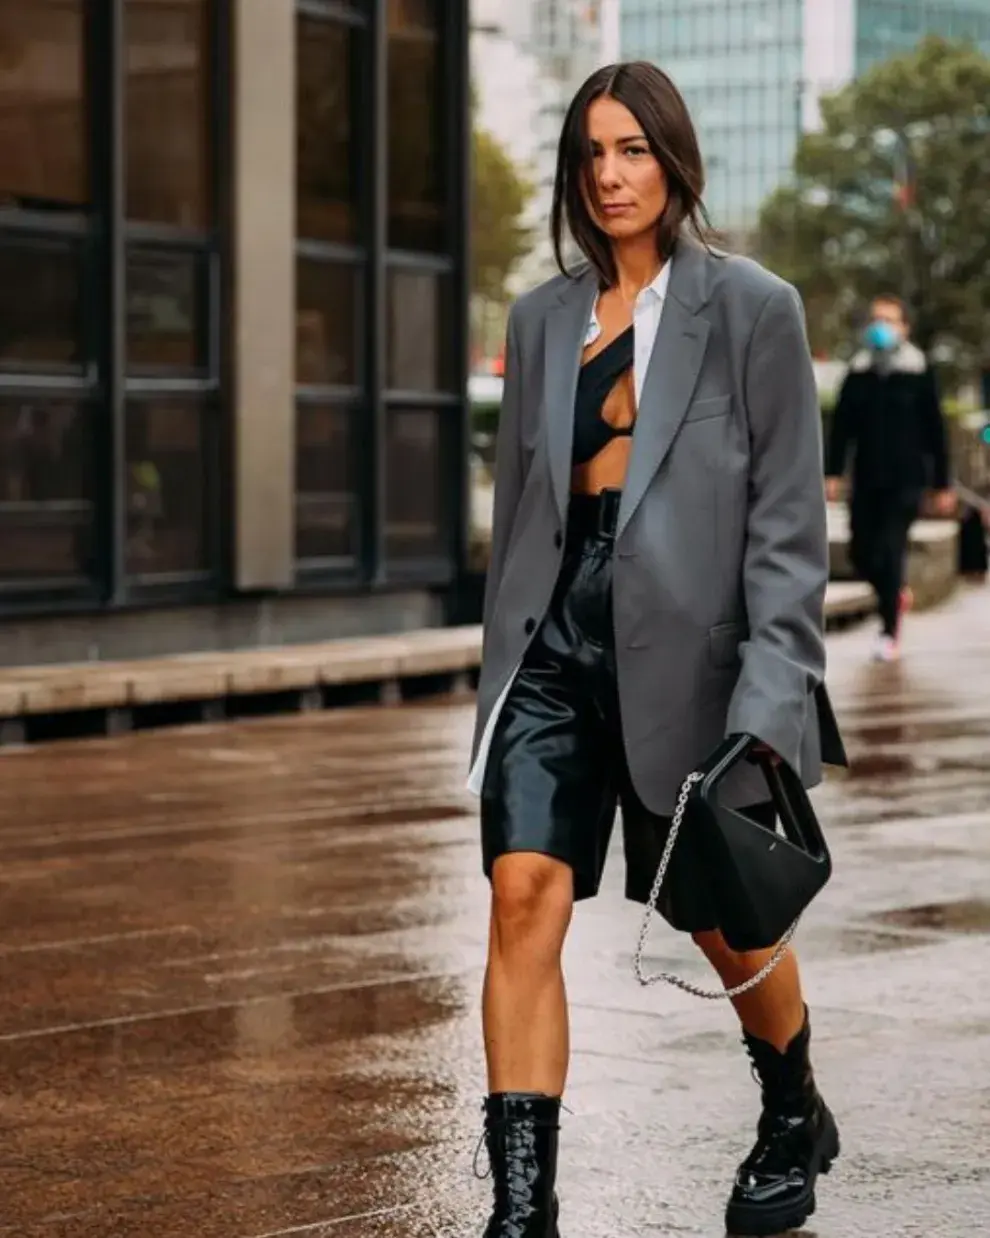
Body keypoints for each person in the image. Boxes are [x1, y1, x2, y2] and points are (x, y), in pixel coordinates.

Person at [467, 60, 847, 1238]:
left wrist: (775, 686)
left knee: (720, 911)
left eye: (632, 149)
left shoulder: (753, 308)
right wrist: (497, 672)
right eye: (592, 152)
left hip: (695, 649)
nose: (611, 174)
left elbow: (789, 523)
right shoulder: (542, 317)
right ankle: (523, 1208)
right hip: (553, 638)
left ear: (673, 158)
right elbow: (528, 511)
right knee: (524, 889)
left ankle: (791, 1103)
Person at [825, 296, 955, 662]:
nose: (881, 326)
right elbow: (842, 428)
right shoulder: (859, 372)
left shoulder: (919, 372)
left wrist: (942, 483)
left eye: (890, 320)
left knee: (890, 547)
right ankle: (894, 591)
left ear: (904, 328)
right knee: (861, 552)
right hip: (866, 479)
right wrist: (832, 472)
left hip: (907, 480)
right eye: (876, 319)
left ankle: (888, 631)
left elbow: (936, 430)